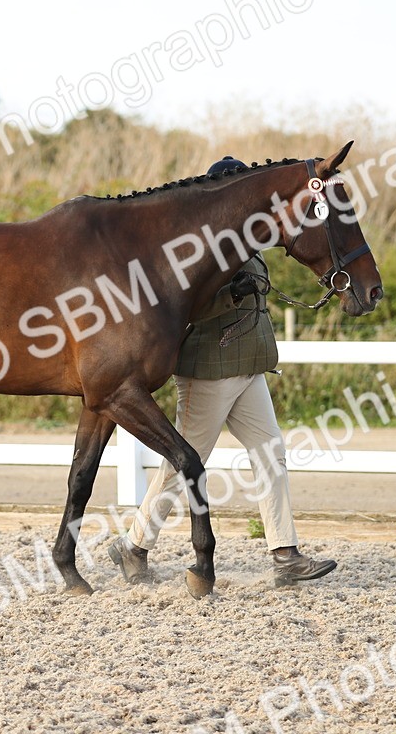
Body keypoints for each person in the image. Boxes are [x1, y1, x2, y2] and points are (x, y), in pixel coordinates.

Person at [108, 156, 338, 588]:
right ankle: (134, 545)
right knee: (181, 465)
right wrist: (232, 293)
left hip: (248, 367)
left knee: (271, 453)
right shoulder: (199, 249)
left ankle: (285, 554)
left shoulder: (247, 242)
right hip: (209, 370)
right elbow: (186, 307)